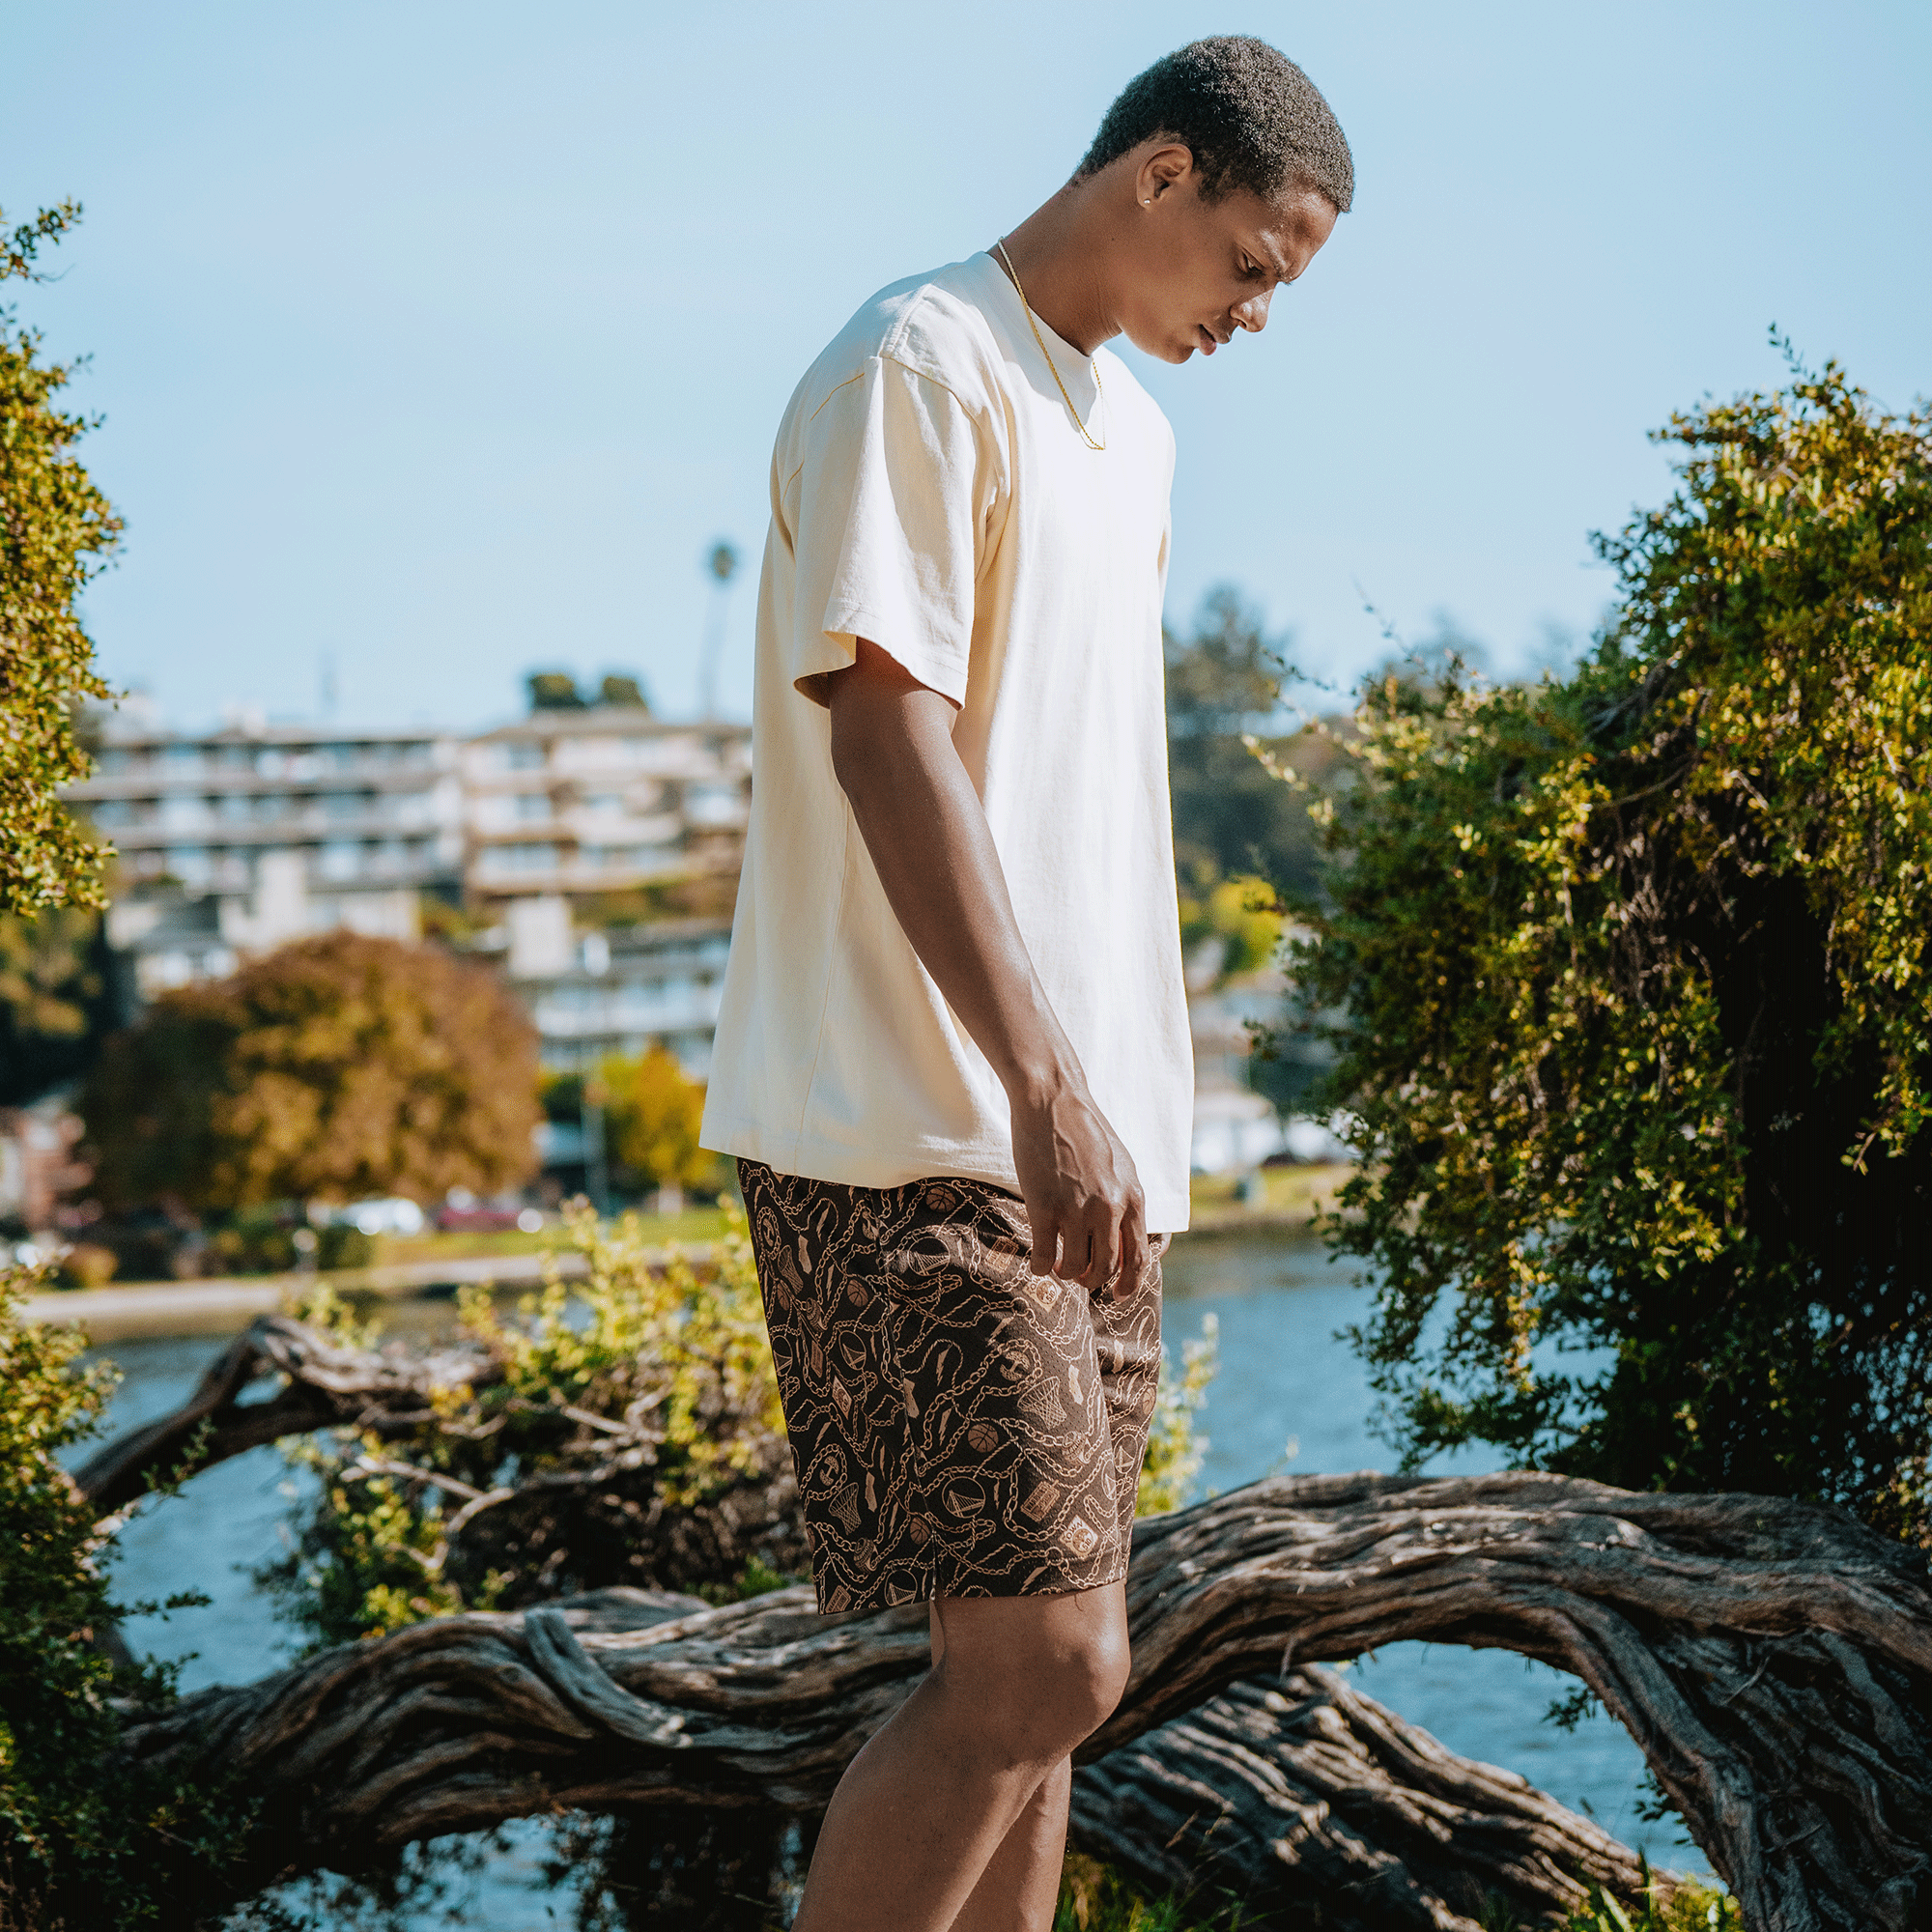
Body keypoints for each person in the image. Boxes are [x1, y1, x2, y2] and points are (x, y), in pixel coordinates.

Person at [699, 35, 1352, 1931]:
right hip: (904, 1119)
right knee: (1038, 1668)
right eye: (1253, 263)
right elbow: (884, 736)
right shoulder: (917, 363)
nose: (1255, 314)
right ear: (1159, 175)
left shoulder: (1130, 432)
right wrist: (1044, 1084)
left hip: (1090, 1152)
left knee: (1051, 1696)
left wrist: (1111, 1114)